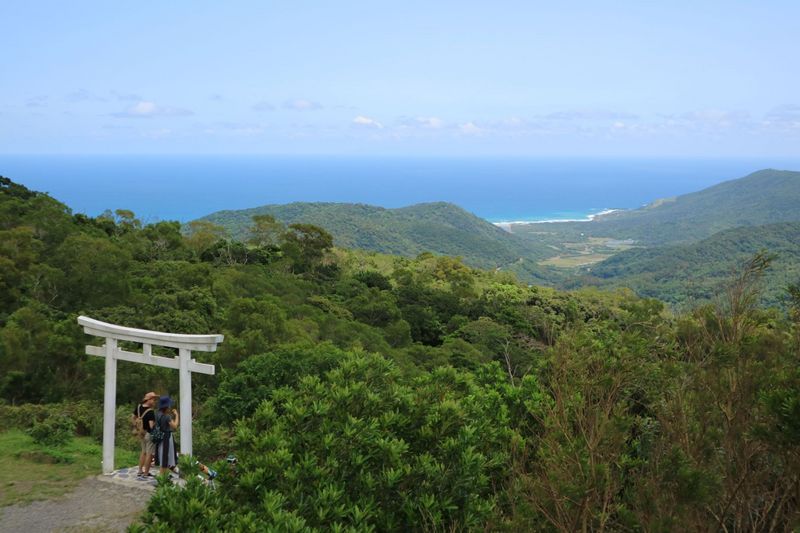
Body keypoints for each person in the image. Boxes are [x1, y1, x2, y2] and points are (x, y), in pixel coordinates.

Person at [133, 391, 157, 478]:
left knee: (143, 452)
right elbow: (151, 426)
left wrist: (136, 426)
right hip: (148, 434)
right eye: (153, 399)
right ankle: (146, 473)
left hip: (141, 433)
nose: (154, 401)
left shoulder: (139, 407)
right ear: (149, 400)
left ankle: (140, 470)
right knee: (149, 453)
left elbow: (133, 417)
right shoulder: (150, 412)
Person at [155, 396, 179, 476]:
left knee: (162, 457)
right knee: (165, 458)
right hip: (166, 438)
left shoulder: (157, 414)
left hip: (159, 437)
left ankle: (163, 476)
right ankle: (162, 478)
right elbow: (175, 426)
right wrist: (176, 415)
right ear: (166, 406)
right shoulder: (167, 417)